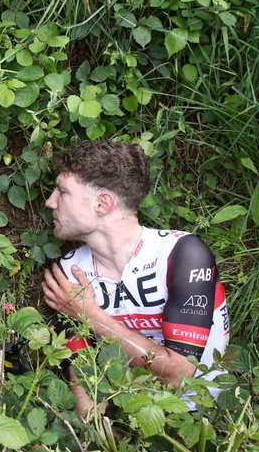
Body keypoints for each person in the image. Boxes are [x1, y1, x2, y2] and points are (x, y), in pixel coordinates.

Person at [40, 140, 229, 415]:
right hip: (126, 417)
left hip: (205, 418)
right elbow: (84, 386)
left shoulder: (182, 254)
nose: (50, 201)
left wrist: (90, 315)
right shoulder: (70, 272)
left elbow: (181, 372)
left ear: (102, 203)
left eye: (63, 192)